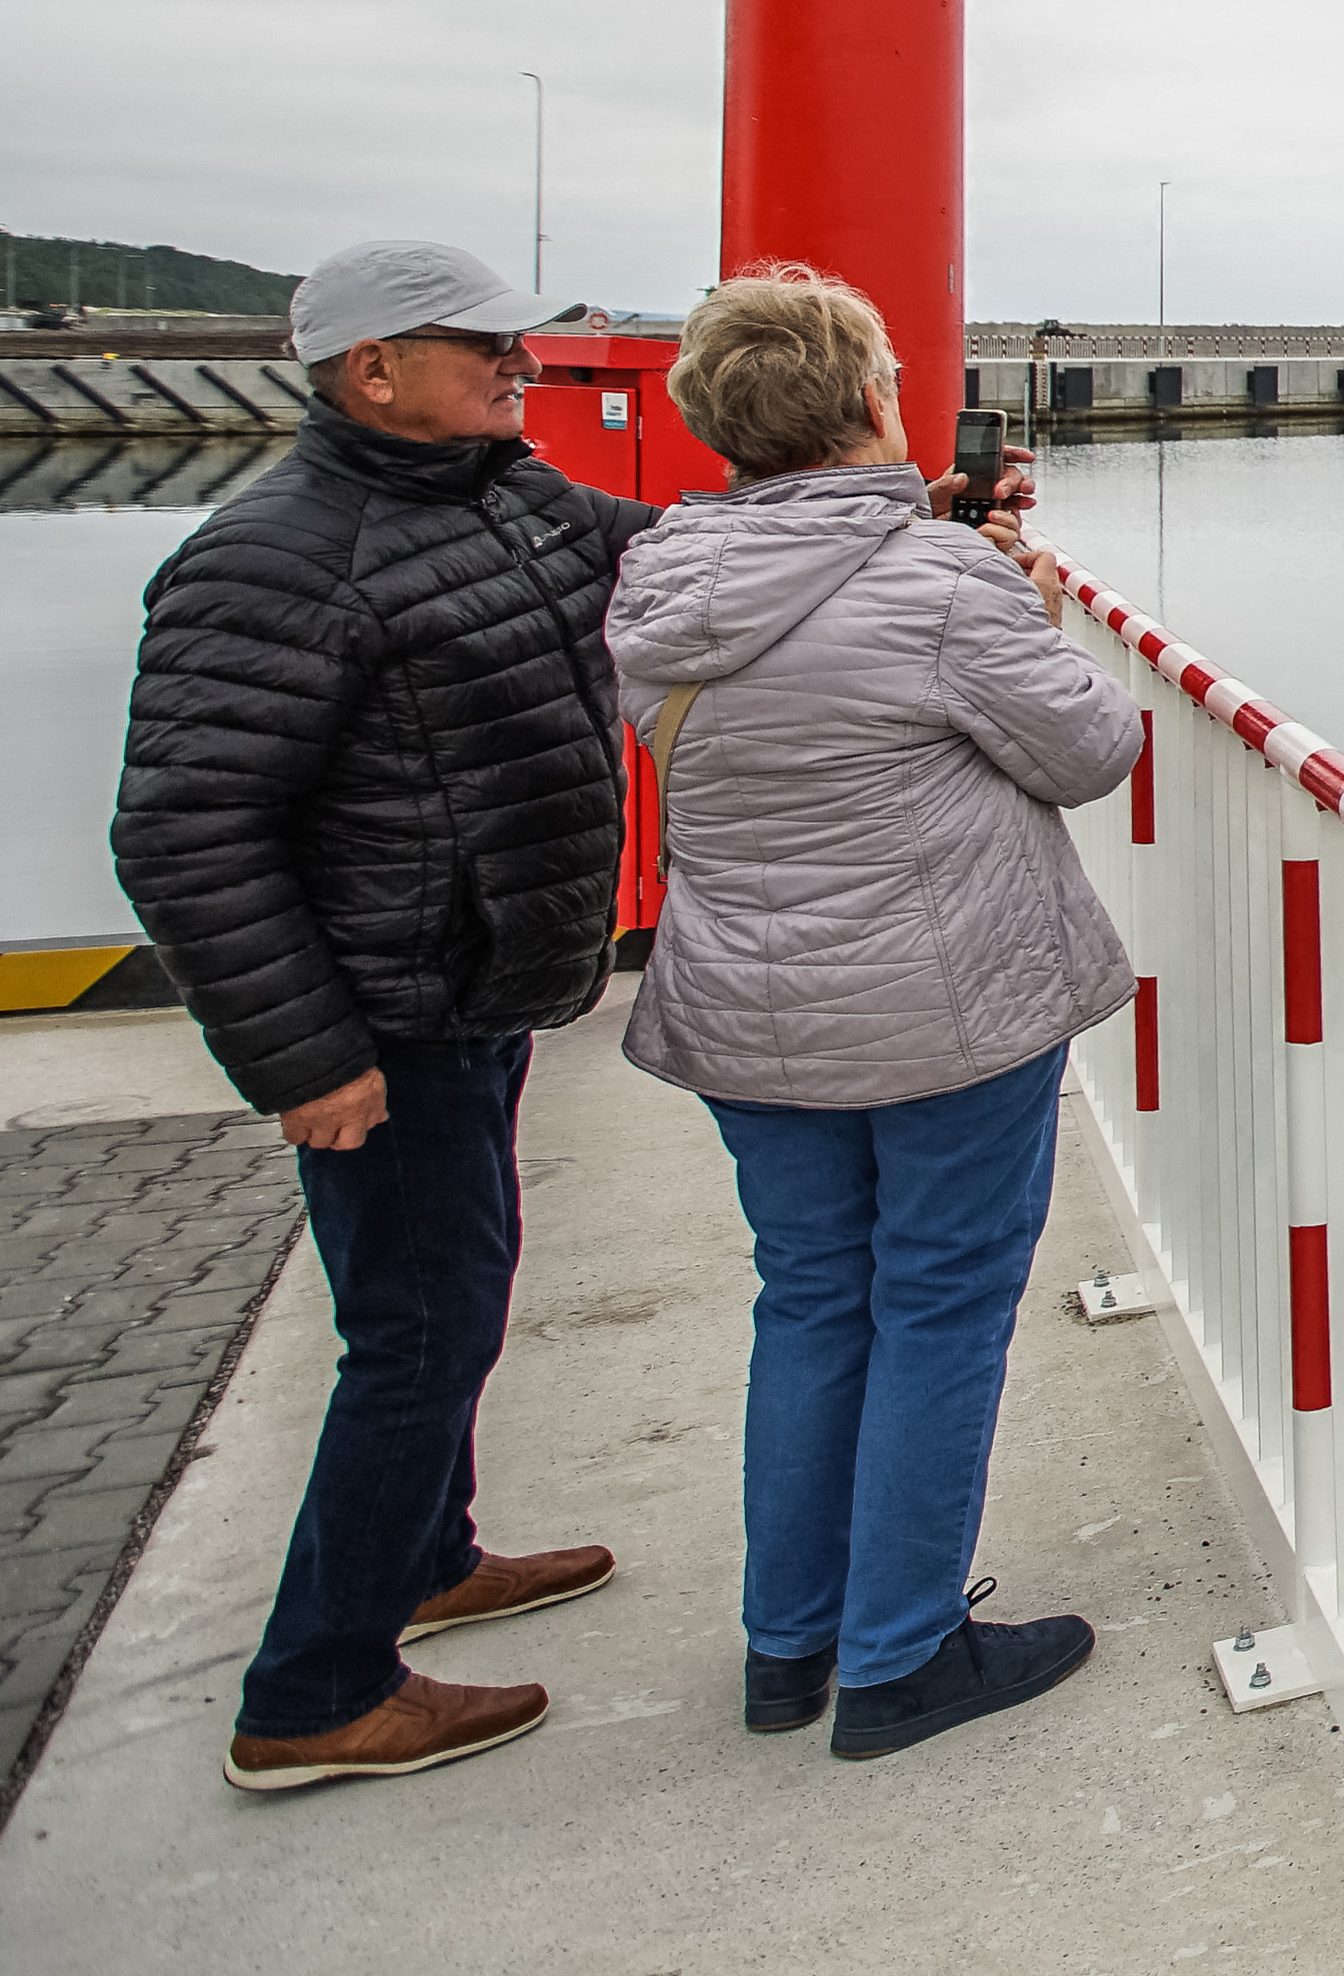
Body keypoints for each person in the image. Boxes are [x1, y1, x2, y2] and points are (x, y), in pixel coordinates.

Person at [113, 239, 638, 1790]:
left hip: (472, 983)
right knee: (421, 1329)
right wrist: (306, 1055)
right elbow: (185, 827)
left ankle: (426, 1556)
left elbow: (674, 553)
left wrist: (915, 520)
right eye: (484, 349)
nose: (518, 368)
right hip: (387, 1016)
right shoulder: (273, 556)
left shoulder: (501, 496)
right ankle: (315, 1691)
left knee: (434, 1303)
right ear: (370, 371)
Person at [605, 269, 1138, 1759]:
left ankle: (790, 1645)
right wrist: (1024, 606)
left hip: (745, 1011)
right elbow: (1093, 748)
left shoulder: (657, 585)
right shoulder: (942, 584)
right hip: (941, 1014)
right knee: (941, 1309)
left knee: (811, 1300)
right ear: (873, 407)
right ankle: (903, 1656)